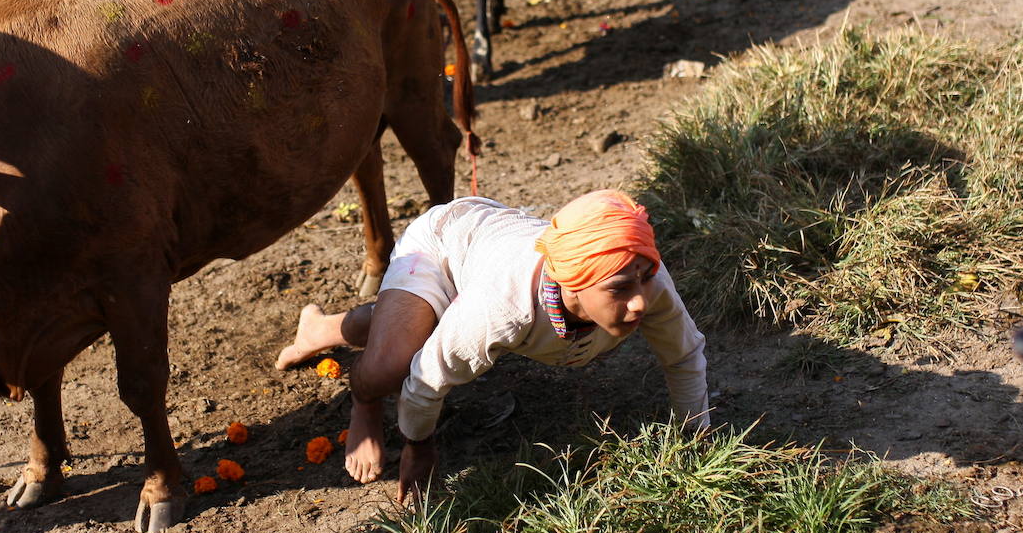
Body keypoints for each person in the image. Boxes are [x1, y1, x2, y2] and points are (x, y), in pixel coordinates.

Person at [275, 190, 711, 503]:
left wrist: (695, 434)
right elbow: (428, 378)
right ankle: (364, 400)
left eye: (646, 277)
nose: (638, 300)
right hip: (442, 247)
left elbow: (684, 354)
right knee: (394, 362)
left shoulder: (639, 272)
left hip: (487, 248)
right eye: (619, 288)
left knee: (416, 323)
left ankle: (318, 329)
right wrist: (418, 445)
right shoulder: (501, 308)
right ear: (571, 282)